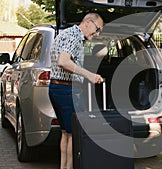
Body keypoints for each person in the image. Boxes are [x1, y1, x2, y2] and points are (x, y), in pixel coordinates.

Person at [48, 13, 104, 169]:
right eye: (97, 28)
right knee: (74, 136)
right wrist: (89, 75)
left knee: (66, 134)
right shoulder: (75, 36)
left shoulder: (66, 33)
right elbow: (63, 61)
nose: (97, 33)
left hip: (56, 88)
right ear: (87, 22)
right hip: (66, 90)